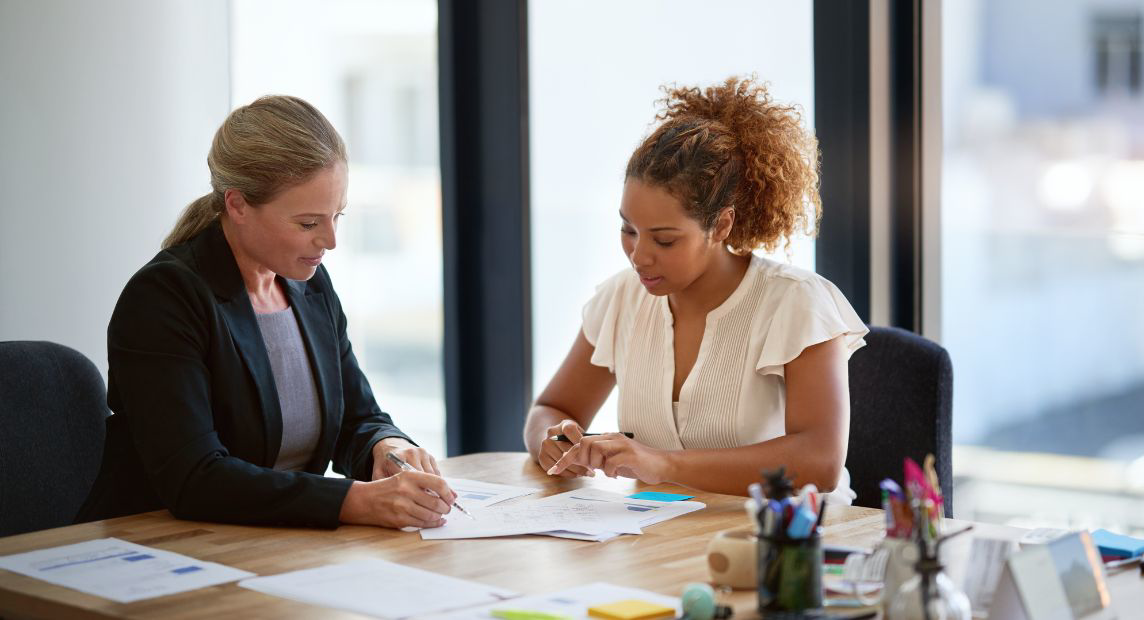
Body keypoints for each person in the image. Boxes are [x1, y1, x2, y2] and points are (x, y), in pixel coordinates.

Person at [77, 96, 456, 529]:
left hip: (273, 547)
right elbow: (195, 479)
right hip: (157, 551)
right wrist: (355, 501)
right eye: (309, 223)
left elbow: (358, 418)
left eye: (338, 216)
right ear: (237, 205)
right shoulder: (164, 298)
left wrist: (386, 448)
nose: (330, 241)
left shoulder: (308, 285)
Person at [524, 77, 868, 500]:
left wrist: (662, 464)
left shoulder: (797, 304)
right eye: (628, 229)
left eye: (665, 239)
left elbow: (820, 461)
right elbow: (550, 410)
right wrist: (555, 440)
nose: (639, 256)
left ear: (721, 225)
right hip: (662, 541)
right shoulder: (621, 299)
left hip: (784, 545)